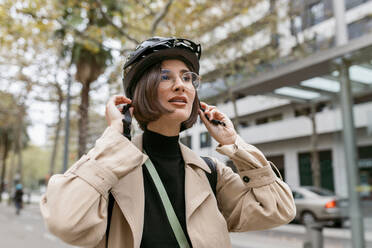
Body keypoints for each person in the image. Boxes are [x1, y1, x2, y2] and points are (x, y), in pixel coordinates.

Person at [40, 37, 296, 248]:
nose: (180, 86)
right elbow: (66, 222)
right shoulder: (109, 169)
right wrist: (116, 134)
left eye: (187, 78)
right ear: (141, 93)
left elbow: (279, 210)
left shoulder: (211, 173)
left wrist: (234, 143)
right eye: (165, 77)